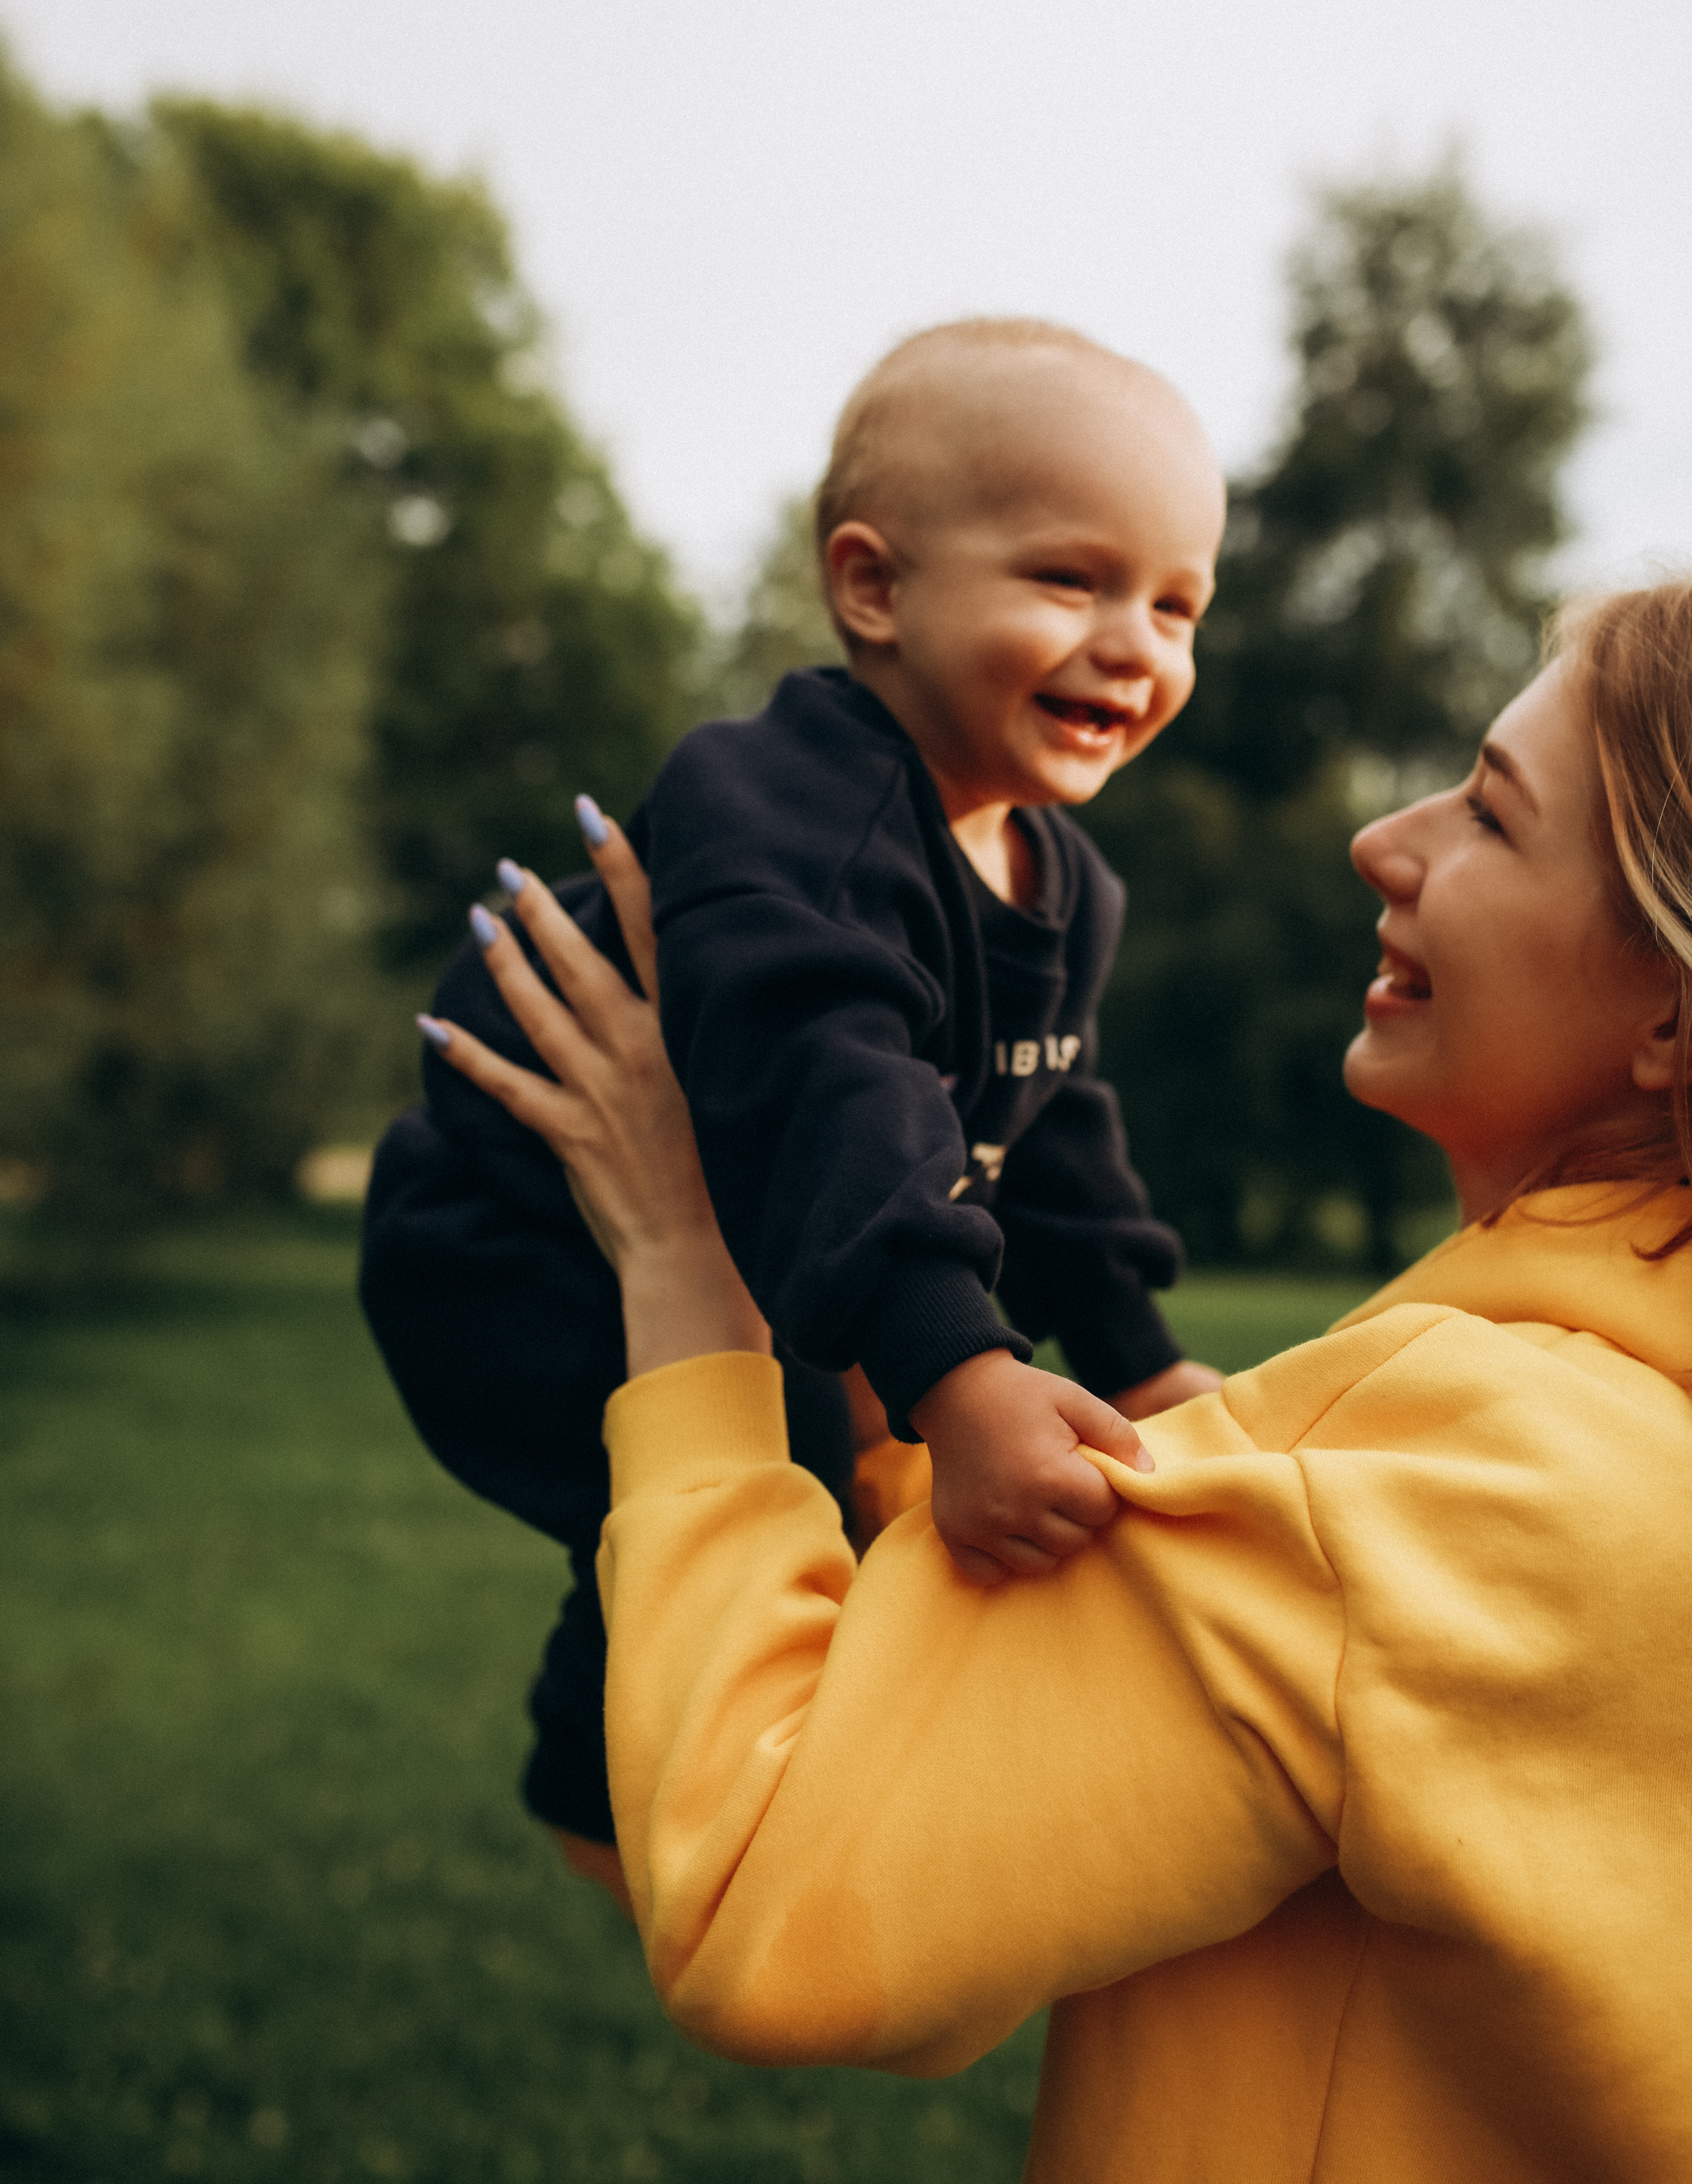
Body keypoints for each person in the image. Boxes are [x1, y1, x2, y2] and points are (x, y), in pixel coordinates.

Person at [426, 579, 1692, 2180]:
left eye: (1492, 819)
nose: (1385, 841)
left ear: (1667, 1015)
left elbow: (773, 1905)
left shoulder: (1476, 1471)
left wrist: (687, 1263)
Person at [362, 317, 1226, 1875]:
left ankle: (807, 1762)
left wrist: (1133, 1358)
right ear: (872, 587)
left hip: (742, 1220)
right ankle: (612, 1799)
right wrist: (957, 1374)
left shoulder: (1061, 882)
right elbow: (831, 1085)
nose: (1135, 645)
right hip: (507, 1234)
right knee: (768, 1483)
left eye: (1177, 605)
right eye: (1068, 580)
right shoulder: (786, 807)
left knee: (840, 1481)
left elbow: (1050, 1140)